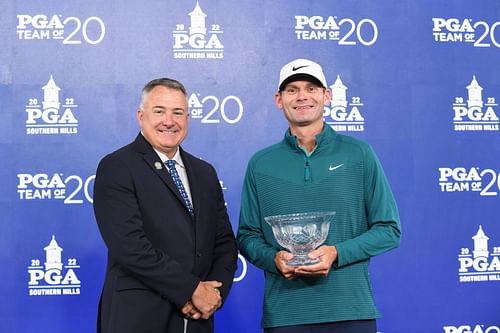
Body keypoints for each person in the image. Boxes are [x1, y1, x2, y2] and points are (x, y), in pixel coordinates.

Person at [237, 59, 401, 333]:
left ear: (327, 96)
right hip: (286, 315)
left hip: (351, 310)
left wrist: (336, 253)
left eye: (311, 88)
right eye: (292, 90)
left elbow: (389, 229)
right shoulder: (260, 163)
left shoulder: (359, 154)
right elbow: (247, 236)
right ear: (279, 100)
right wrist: (275, 260)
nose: (302, 96)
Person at [93, 78, 238, 333]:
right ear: (141, 116)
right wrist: (190, 290)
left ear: (188, 119)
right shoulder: (117, 166)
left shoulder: (204, 173)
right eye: (159, 111)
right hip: (138, 318)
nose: (169, 121)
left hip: (197, 320)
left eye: (178, 112)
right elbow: (130, 246)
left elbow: (224, 242)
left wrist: (213, 294)